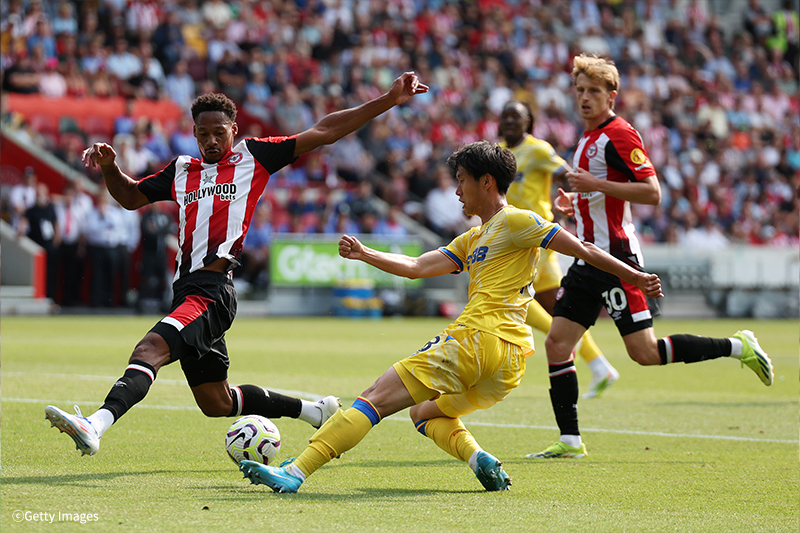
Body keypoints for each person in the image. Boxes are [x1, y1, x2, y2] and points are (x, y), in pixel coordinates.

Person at [237, 140, 663, 493]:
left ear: (487, 181)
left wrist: (635, 275)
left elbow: (584, 250)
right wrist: (366, 253)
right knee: (424, 413)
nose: (456, 191)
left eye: (461, 181)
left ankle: (294, 473)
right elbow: (417, 267)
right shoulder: (473, 237)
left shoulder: (517, 221)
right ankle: (480, 459)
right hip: (508, 361)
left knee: (375, 397)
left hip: (477, 338)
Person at [45, 72, 429, 456]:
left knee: (149, 349)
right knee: (217, 403)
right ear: (193, 134)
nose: (211, 141)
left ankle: (95, 423)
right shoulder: (182, 171)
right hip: (187, 292)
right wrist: (111, 167)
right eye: (202, 134)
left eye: (218, 132)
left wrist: (387, 100)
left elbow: (324, 131)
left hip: (212, 292)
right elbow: (130, 197)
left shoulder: (253, 156)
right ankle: (314, 410)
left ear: (234, 129)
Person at [528, 54, 774, 460]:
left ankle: (737, 346)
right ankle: (570, 440)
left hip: (619, 258)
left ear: (611, 95)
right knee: (557, 343)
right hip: (588, 258)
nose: (585, 98)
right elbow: (603, 192)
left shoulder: (620, 134)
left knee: (644, 354)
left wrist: (595, 184)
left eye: (594, 91)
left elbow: (652, 192)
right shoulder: (586, 139)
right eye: (580, 91)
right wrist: (578, 199)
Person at [498, 99, 619, 399]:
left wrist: (572, 203)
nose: (510, 121)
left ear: (528, 122)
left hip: (537, 237)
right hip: (512, 240)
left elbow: (566, 174)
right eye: (506, 116)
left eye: (517, 116)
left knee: (538, 304)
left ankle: (594, 361)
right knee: (534, 305)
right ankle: (597, 363)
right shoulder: (499, 152)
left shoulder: (537, 149)